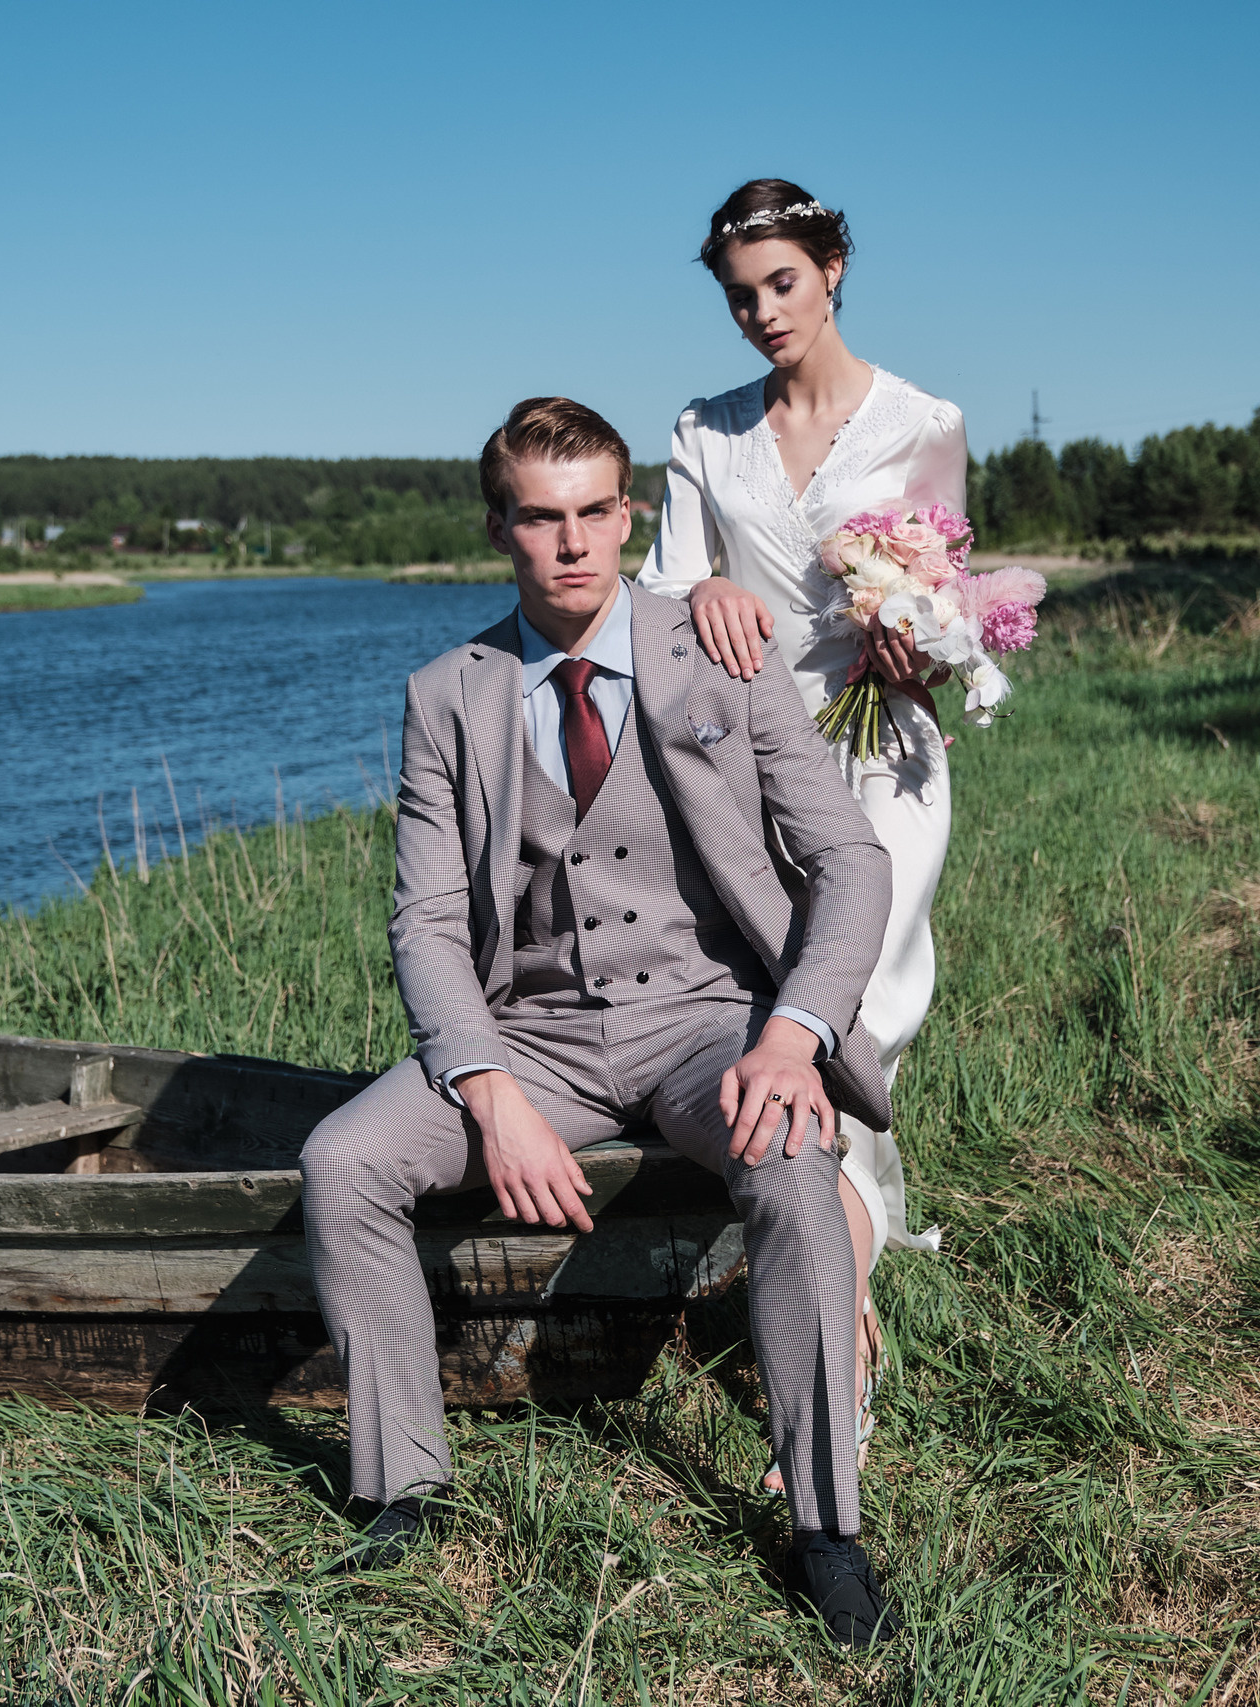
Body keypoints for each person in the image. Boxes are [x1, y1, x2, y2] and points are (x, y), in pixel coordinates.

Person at [300, 396, 898, 1645]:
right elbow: (422, 923)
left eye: (592, 514)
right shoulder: (444, 695)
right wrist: (487, 1088)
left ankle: (827, 1530)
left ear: (625, 516)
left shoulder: (719, 647)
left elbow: (847, 859)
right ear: (499, 528)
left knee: (790, 1162)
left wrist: (792, 1036)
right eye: (539, 518)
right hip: (532, 1037)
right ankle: (401, 1486)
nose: (570, 544)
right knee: (343, 1159)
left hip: (707, 1021)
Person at [638, 178, 966, 1491]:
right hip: (746, 771)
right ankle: (842, 1284)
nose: (762, 312)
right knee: (785, 1025)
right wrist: (707, 578)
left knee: (838, 1027)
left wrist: (913, 635)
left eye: (782, 282)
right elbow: (658, 599)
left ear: (834, 268)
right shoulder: (702, 433)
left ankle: (835, 1374)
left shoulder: (924, 420)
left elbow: (951, 599)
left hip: (882, 760)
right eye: (739, 296)